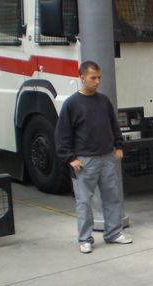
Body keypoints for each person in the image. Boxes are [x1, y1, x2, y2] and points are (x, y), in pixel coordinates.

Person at [56, 60, 132, 254]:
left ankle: (113, 233)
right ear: (82, 78)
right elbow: (63, 134)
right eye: (93, 78)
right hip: (84, 161)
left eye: (99, 77)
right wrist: (70, 158)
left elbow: (114, 125)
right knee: (84, 201)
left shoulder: (103, 101)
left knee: (112, 197)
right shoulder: (72, 104)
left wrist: (118, 146)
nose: (97, 81)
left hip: (107, 157)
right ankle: (84, 238)